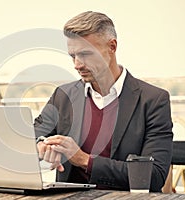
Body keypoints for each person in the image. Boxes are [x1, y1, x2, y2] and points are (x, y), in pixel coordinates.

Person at [34, 11, 173, 192]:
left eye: (85, 54)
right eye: (73, 56)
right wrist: (42, 145)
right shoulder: (63, 95)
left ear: (112, 47)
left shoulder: (153, 101)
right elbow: (29, 138)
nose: (77, 64)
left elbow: (153, 177)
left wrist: (84, 160)